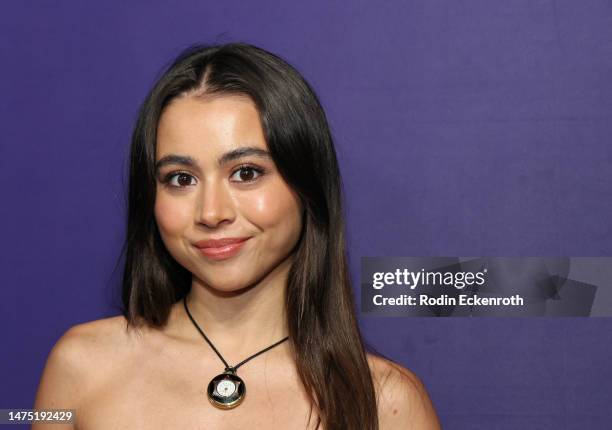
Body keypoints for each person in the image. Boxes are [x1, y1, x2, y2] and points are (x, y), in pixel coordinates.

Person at [33, 43, 440, 429]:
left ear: (307, 186)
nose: (212, 213)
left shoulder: (388, 404)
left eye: (246, 173)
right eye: (180, 178)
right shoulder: (79, 366)